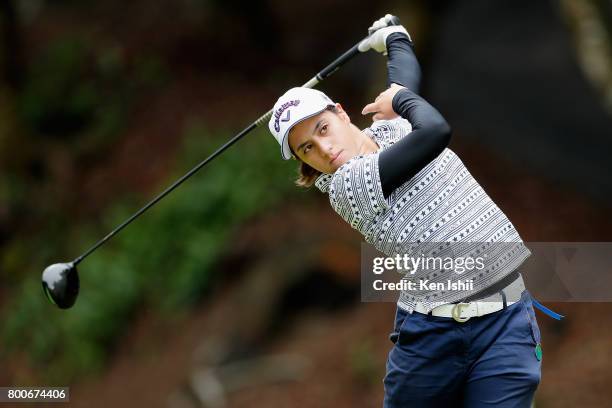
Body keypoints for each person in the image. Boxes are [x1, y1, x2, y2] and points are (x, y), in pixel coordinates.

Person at [268, 16, 562, 408]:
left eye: (321, 129)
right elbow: (435, 131)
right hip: (433, 338)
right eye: (306, 148)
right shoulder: (347, 186)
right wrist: (403, 101)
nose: (322, 149)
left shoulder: (391, 129)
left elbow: (402, 78)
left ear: (340, 113)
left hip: (505, 322)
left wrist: (394, 36)